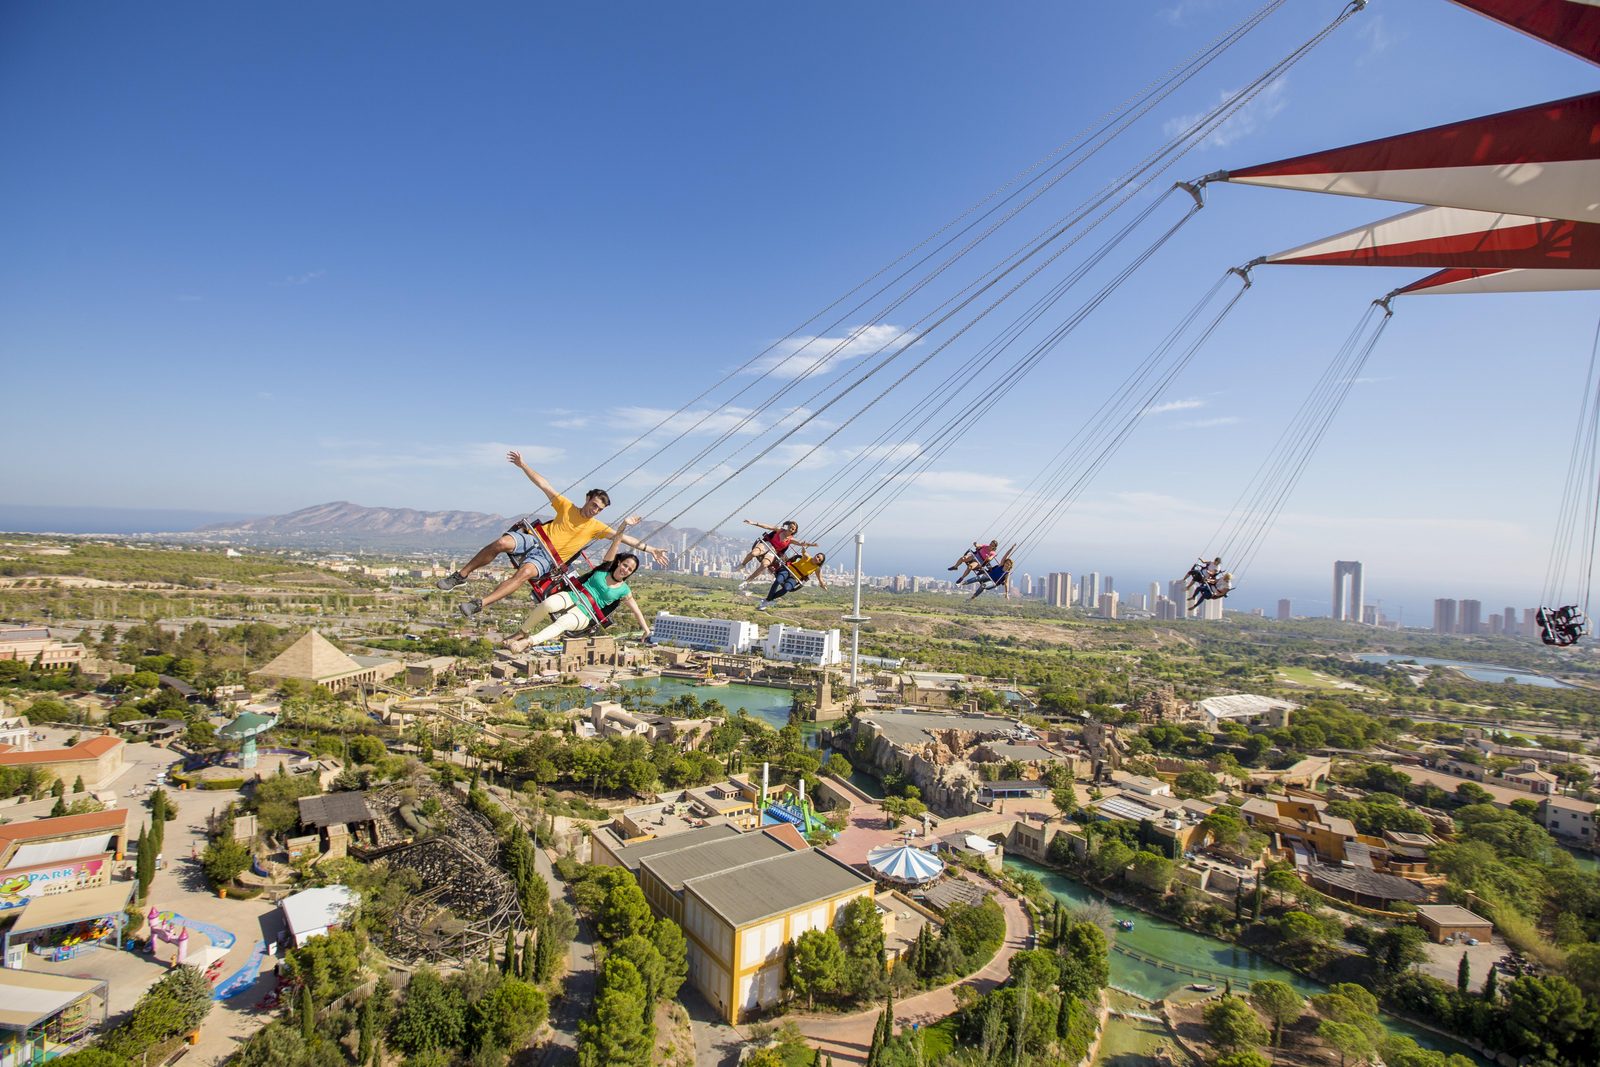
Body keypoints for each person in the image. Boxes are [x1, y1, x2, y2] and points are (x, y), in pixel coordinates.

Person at [437, 451, 668, 618]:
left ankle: (479, 603)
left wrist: (651, 549)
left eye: (599, 509)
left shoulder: (597, 527)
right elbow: (545, 485)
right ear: (588, 499)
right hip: (537, 538)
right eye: (594, 504)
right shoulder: (566, 506)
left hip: (548, 558)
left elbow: (626, 539)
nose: (594, 510)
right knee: (501, 542)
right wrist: (523, 465)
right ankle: (461, 575)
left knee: (525, 573)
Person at [505, 518, 652, 651]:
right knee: (547, 604)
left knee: (562, 622)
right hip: (574, 595)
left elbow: (637, 611)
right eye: (625, 565)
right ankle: (521, 632)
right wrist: (624, 525)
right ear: (619, 562)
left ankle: (528, 642)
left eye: (630, 569)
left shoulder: (624, 590)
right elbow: (617, 541)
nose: (625, 570)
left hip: (586, 613)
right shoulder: (605, 568)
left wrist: (646, 630)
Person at [737, 519, 815, 584]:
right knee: (754, 553)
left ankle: (748, 580)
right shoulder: (780, 530)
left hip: (774, 551)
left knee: (764, 565)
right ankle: (743, 564)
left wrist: (810, 544)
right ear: (788, 527)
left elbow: (800, 543)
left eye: (793, 529)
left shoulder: (790, 539)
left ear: (794, 531)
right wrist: (754, 523)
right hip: (768, 544)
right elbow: (767, 526)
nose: (791, 529)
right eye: (790, 527)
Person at [757, 550, 828, 610]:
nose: (817, 559)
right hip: (788, 570)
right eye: (817, 556)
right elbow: (804, 552)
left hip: (795, 578)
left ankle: (767, 600)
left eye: (819, 560)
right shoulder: (807, 558)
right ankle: (768, 600)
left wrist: (823, 585)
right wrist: (803, 547)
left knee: (786, 588)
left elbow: (820, 578)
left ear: (820, 562)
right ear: (815, 555)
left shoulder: (816, 568)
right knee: (778, 581)